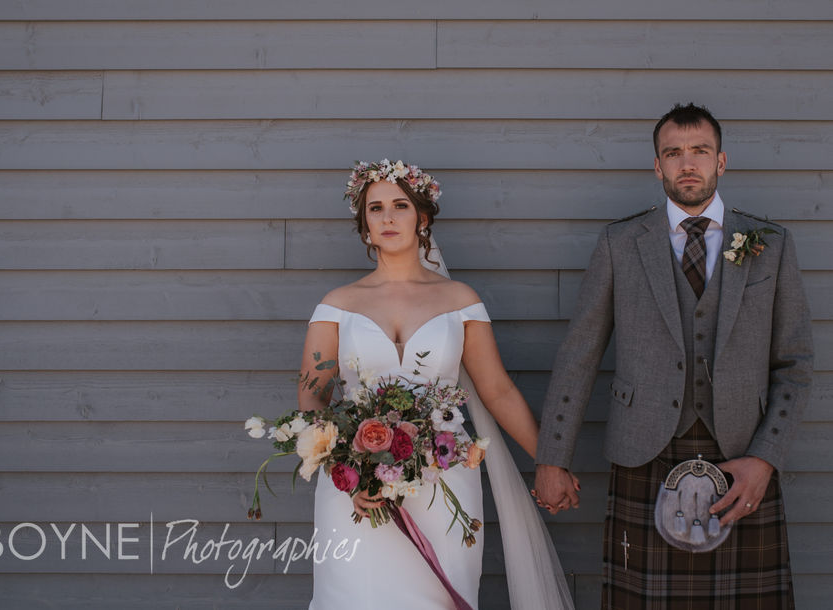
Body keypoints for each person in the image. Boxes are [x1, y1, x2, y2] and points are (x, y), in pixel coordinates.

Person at [533, 103, 814, 608]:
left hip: (742, 457)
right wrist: (553, 458)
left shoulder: (770, 245)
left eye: (700, 151)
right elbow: (579, 355)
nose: (688, 164)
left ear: (721, 161)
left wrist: (767, 458)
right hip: (645, 452)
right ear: (656, 166)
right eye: (673, 153)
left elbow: (794, 365)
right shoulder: (620, 243)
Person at [299, 159, 575, 609]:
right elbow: (312, 394)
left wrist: (551, 461)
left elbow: (498, 390)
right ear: (364, 223)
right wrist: (346, 471)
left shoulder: (460, 301)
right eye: (375, 208)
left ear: (422, 217)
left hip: (445, 478)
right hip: (356, 490)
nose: (388, 218)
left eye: (400, 206)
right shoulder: (337, 305)